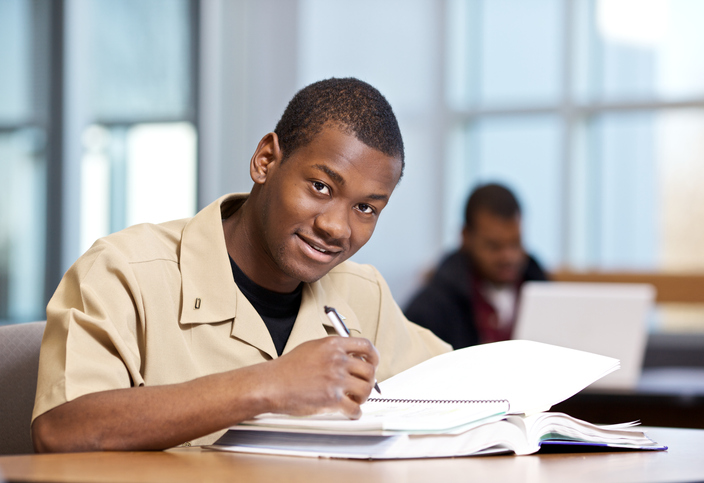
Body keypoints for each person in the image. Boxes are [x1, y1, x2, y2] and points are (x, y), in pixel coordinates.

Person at [31, 78, 451, 453]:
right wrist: (270, 384)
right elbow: (61, 430)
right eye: (320, 187)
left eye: (365, 208)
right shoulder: (126, 271)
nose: (336, 227)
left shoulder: (364, 293)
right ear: (266, 160)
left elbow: (464, 390)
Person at [404, 183, 547, 350]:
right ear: (465, 237)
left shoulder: (545, 291)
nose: (508, 257)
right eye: (494, 246)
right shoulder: (429, 310)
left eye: (515, 244)